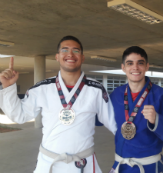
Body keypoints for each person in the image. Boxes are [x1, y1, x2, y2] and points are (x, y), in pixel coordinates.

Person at [0, 36, 117, 173]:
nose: (70, 54)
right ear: (57, 56)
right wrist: (8, 88)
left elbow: (114, 123)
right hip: (49, 164)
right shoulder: (41, 88)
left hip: (84, 165)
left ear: (83, 57)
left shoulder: (96, 89)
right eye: (65, 50)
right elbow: (19, 116)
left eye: (76, 51)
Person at [109, 46, 163, 173]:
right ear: (123, 67)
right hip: (121, 166)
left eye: (140, 63)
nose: (135, 68)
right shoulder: (116, 95)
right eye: (130, 63)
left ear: (147, 66)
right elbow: (97, 119)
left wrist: (156, 120)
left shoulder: (161, 95)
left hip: (149, 167)